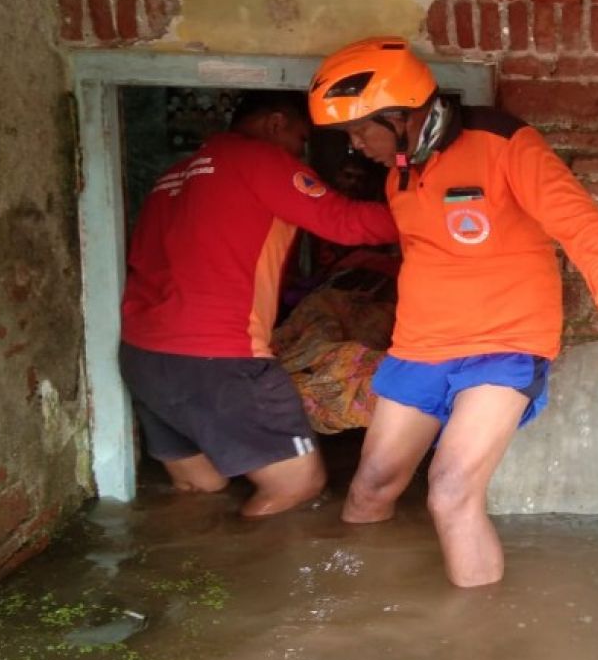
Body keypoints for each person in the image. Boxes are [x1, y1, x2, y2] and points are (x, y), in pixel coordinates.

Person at [308, 37, 598, 587]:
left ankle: (479, 642)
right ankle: (358, 611)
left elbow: (583, 227)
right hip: (421, 348)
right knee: (370, 488)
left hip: (504, 347)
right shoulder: (399, 171)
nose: (355, 146)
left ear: (401, 114)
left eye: (360, 130)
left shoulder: (502, 141)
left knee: (449, 492)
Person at [118, 90, 398, 518]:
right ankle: (251, 575)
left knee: (201, 485)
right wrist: (427, 212)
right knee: (299, 486)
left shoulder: (172, 176)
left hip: (143, 355)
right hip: (220, 358)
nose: (301, 151)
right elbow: (344, 221)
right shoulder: (259, 160)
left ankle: (191, 570)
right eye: (301, 138)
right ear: (276, 124)